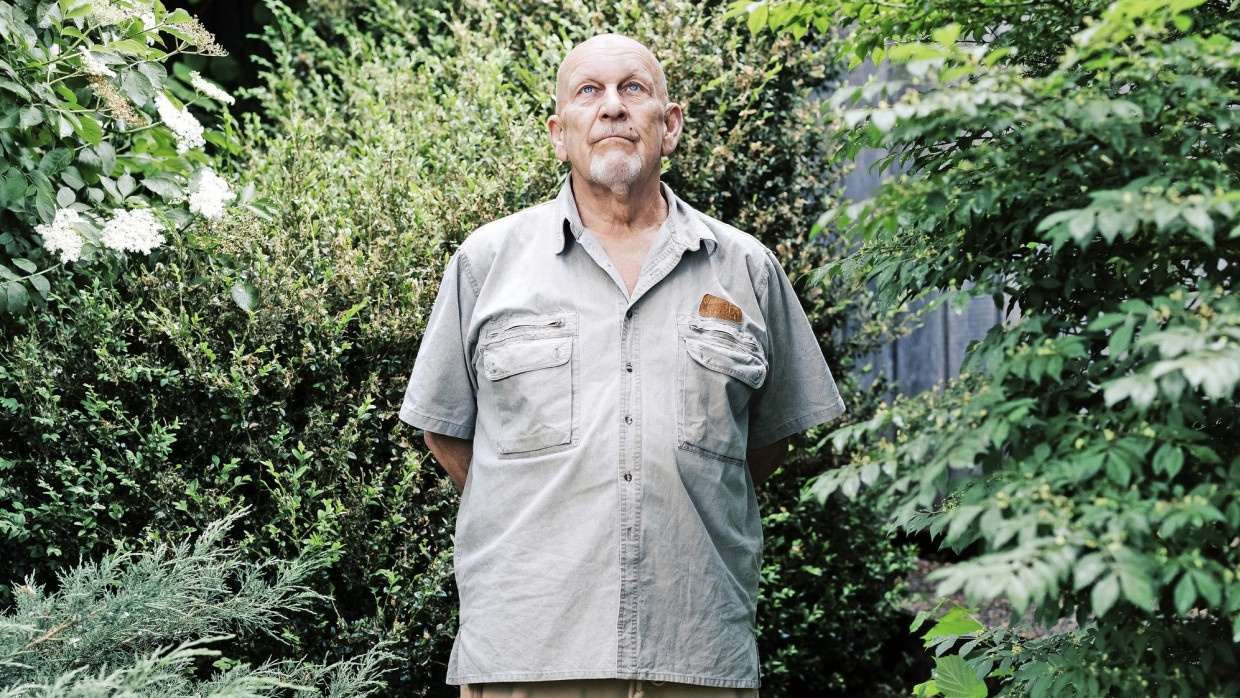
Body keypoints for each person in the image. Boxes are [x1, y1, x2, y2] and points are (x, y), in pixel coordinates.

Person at [400, 34, 845, 698]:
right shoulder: (487, 263)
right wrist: (540, 498)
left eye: (633, 89)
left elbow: (772, 436)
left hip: (694, 651)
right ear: (559, 134)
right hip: (529, 653)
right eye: (589, 92)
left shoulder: (745, 267)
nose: (611, 108)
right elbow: (445, 430)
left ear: (669, 126)